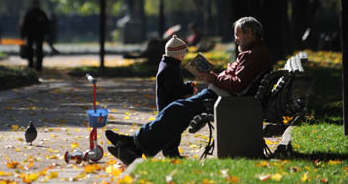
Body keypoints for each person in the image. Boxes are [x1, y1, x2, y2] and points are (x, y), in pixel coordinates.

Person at [105, 16, 273, 165]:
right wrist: (213, 76)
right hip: (222, 96)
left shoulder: (255, 54)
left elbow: (238, 85)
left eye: (238, 34)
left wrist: (214, 78)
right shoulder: (253, 52)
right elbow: (237, 81)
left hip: (227, 101)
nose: (236, 39)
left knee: (176, 110)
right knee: (177, 109)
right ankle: (133, 144)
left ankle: (133, 144)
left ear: (250, 33)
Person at [154, 35, 198, 158]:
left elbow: (175, 85)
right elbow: (174, 88)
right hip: (168, 105)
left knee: (173, 131)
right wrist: (188, 89)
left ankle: (172, 152)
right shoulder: (169, 68)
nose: (183, 58)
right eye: (182, 55)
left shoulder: (169, 64)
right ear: (175, 54)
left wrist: (187, 85)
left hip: (169, 104)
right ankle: (171, 154)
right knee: (172, 132)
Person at [20, 0, 50, 71]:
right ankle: (31, 63)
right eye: (35, 4)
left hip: (39, 35)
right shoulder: (29, 13)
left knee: (39, 50)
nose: (36, 5)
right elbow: (24, 24)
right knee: (30, 49)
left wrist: (46, 32)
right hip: (30, 35)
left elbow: (47, 24)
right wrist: (23, 34)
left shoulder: (42, 13)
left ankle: (38, 65)